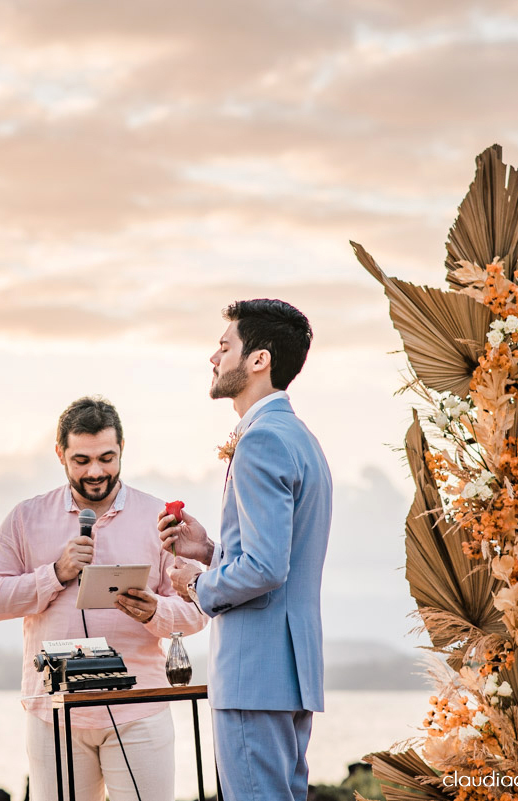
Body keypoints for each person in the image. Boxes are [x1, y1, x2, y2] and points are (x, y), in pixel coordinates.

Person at [0, 397, 207, 801]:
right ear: (60, 453)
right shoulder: (25, 518)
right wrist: (54, 574)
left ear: (122, 449)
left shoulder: (159, 518)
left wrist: (157, 612)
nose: (96, 471)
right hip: (54, 711)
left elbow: (198, 611)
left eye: (106, 457)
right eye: (81, 460)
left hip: (140, 709)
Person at [163, 299, 332, 801]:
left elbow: (264, 566)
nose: (213, 359)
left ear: (259, 360)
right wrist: (210, 551)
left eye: (224, 346)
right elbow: (279, 556)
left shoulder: (261, 440)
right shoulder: (300, 437)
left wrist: (194, 584)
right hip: (290, 670)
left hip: (253, 671)